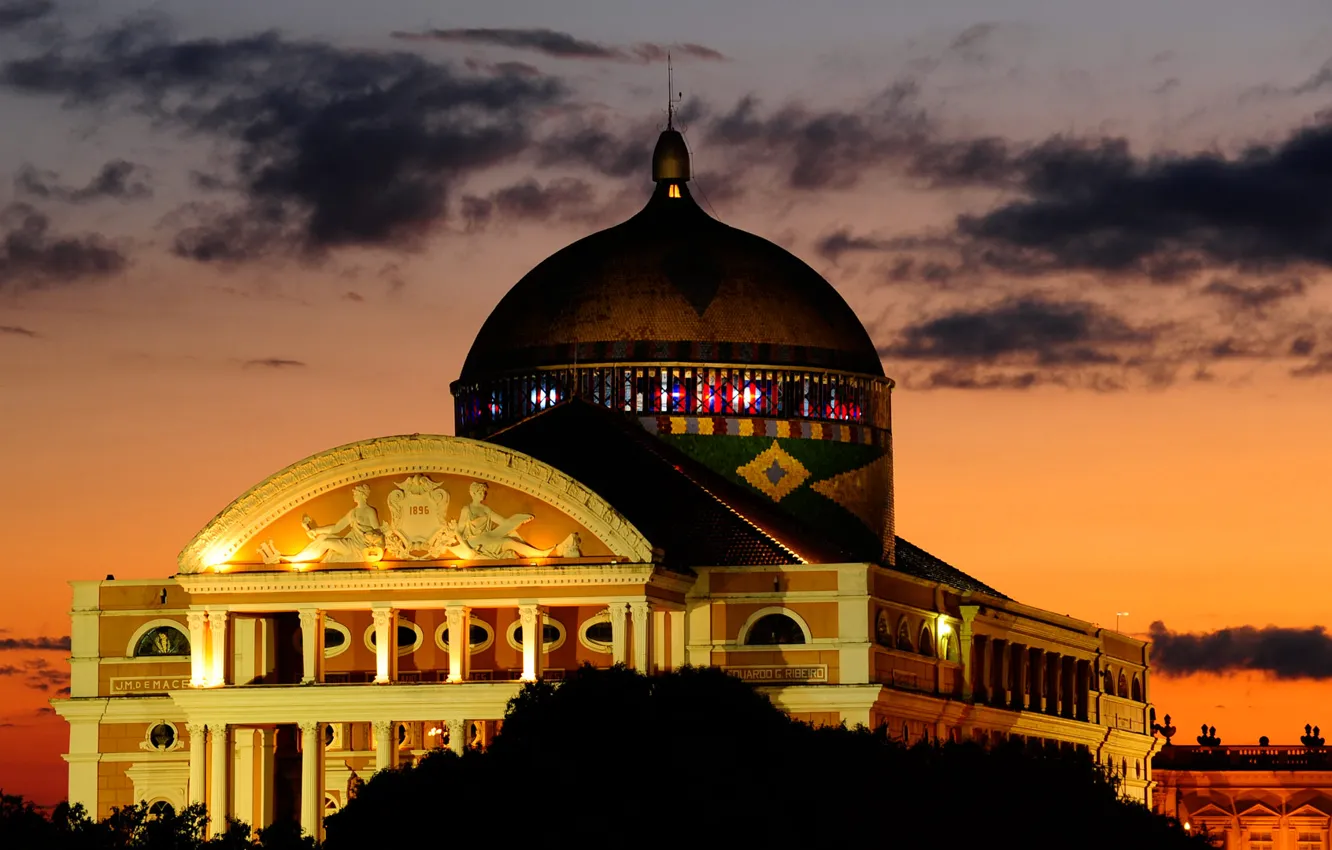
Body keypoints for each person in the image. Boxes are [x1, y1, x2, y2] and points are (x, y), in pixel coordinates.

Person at [259, 484, 384, 564]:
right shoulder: (353, 513)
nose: (354, 496)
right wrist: (316, 531)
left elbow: (377, 532)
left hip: (360, 547)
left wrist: (373, 544)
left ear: (363, 495)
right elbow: (336, 528)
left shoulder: (369, 511)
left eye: (356, 493)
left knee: (326, 542)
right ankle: (297, 558)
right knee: (323, 537)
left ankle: (296, 559)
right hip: (351, 542)